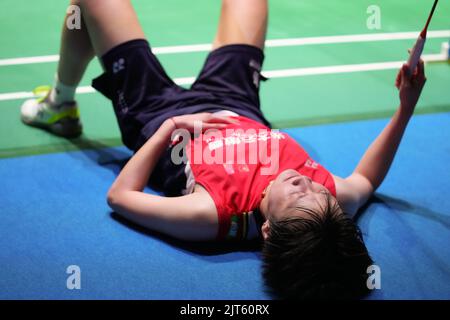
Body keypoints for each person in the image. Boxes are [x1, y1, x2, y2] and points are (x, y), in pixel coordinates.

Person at [19, 0, 427, 299]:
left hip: (161, 113)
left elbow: (120, 197)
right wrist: (406, 107)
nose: (309, 183)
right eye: (322, 194)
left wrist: (169, 129)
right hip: (237, 101)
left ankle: (60, 104)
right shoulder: (326, 209)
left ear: (268, 231)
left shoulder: (210, 216)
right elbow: (365, 179)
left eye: (299, 195)